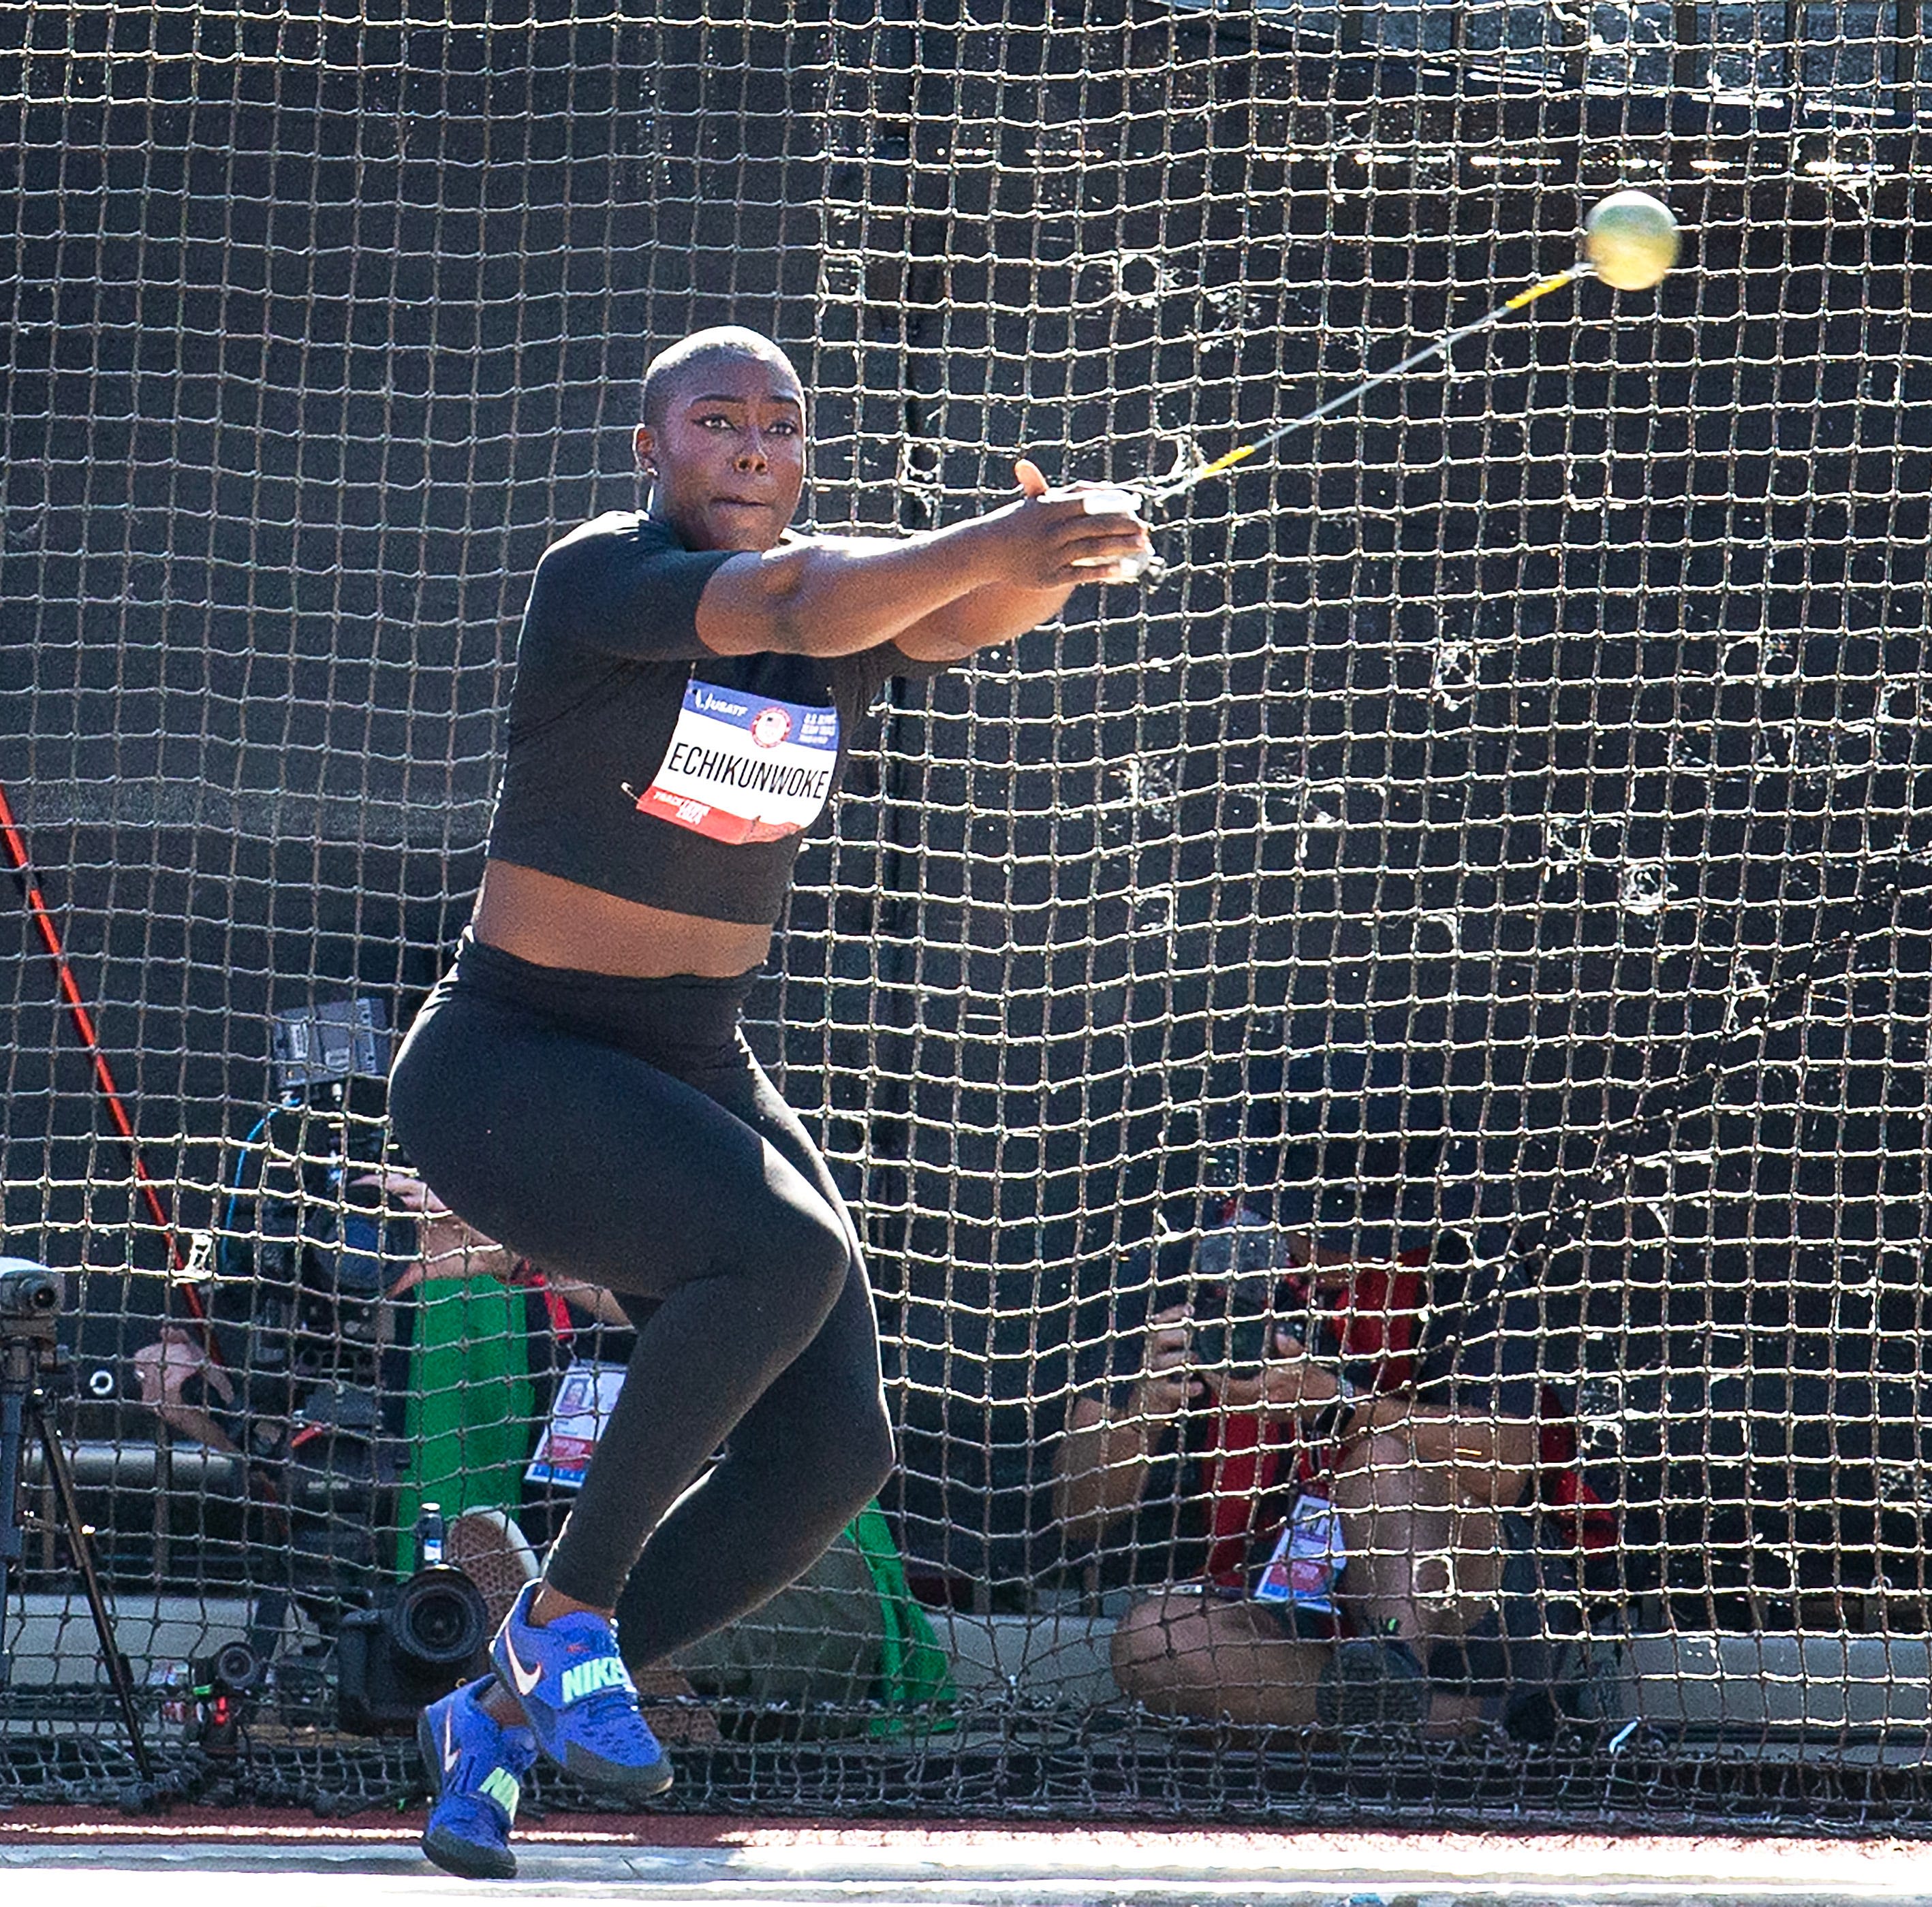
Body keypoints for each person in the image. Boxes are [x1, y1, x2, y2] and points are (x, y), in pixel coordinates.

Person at [384, 324, 1150, 1879]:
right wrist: (1001, 533)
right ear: (650, 453)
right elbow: (800, 588)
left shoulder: (846, 620)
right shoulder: (603, 580)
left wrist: (1056, 555)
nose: (751, 445)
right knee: (779, 1254)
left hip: (687, 1059)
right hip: (506, 1064)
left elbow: (968, 610)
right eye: (716, 421)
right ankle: (573, 1617)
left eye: (779, 425)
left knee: (835, 1449)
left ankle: (498, 1721)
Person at [1053, 1101, 1606, 1741]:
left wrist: (1339, 1405)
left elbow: (1510, 1463)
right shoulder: (1194, 1264)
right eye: (1321, 1231)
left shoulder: (1467, 1267)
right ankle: (1413, 1724)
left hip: (1463, 1611)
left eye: (1362, 1236)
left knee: (1378, 1465)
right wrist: (1139, 1419)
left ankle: (1404, 1670)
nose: (1337, 1252)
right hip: (1287, 1616)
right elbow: (1076, 1514)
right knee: (1153, 1641)